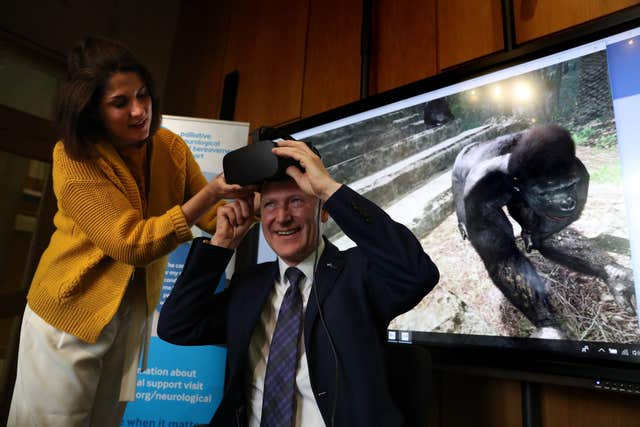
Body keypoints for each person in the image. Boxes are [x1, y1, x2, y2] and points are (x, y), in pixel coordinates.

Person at [8, 36, 253, 427]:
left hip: (130, 312)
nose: (139, 111)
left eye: (143, 96)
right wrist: (210, 194)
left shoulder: (169, 146)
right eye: (120, 103)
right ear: (91, 110)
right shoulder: (73, 159)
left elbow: (211, 215)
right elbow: (130, 243)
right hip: (69, 313)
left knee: (106, 420)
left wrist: (274, 204)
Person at [158, 140, 440, 426]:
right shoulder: (249, 285)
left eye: (296, 201)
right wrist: (221, 245)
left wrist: (330, 189)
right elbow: (177, 326)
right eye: (270, 205)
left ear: (324, 210)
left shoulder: (358, 272)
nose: (282, 217)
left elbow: (418, 274)